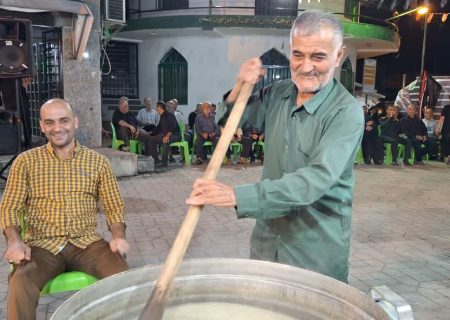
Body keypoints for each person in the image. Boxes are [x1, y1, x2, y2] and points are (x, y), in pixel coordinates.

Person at [186, 10, 364, 283]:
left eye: (318, 56)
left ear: (338, 56)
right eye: (298, 55)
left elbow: (314, 180)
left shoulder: (346, 112)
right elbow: (232, 119)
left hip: (314, 253)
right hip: (267, 244)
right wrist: (240, 84)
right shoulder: (278, 93)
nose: (306, 67)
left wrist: (236, 196)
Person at [0, 98, 129, 319]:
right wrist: (15, 241)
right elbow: (10, 206)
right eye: (49, 122)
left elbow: (114, 205)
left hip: (88, 243)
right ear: (42, 126)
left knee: (124, 278)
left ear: (75, 122)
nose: (57, 128)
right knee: (21, 281)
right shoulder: (26, 162)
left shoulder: (98, 162)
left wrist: (117, 236)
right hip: (42, 246)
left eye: (64, 120)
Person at [135, 101, 180, 167]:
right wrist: (150, 133)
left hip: (174, 135)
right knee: (151, 139)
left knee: (165, 140)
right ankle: (156, 160)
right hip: (165, 134)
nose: (156, 109)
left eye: (157, 107)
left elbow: (173, 127)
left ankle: (164, 162)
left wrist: (167, 136)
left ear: (160, 108)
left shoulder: (169, 115)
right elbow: (158, 128)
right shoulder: (162, 116)